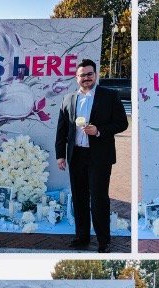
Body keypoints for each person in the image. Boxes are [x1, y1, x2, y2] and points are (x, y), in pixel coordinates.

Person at [55, 59, 128, 253]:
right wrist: (60, 155)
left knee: (98, 199)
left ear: (95, 75)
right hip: (76, 155)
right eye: (82, 75)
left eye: (89, 74)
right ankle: (82, 236)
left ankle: (104, 241)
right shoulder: (68, 99)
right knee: (79, 198)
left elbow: (122, 124)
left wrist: (98, 131)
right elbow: (62, 130)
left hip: (99, 157)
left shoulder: (109, 96)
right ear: (76, 78)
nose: (86, 78)